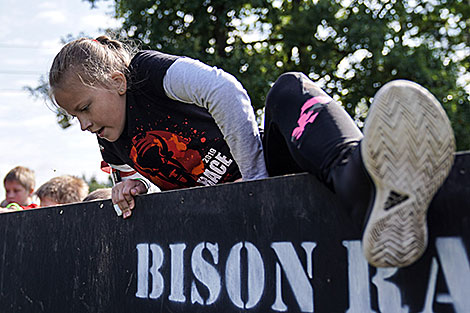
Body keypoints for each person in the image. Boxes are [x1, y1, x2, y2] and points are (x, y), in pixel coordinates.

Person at [48, 36, 455, 268]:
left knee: (288, 88)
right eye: (74, 116)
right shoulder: (108, 137)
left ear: (118, 81)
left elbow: (223, 90)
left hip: (264, 172)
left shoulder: (148, 74)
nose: (83, 124)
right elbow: (132, 184)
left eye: (84, 108)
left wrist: (255, 183)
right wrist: (130, 189)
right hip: (220, 219)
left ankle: (365, 186)